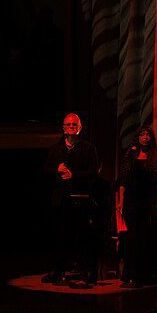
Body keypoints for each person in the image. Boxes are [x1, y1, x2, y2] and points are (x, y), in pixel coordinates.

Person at [41, 113, 102, 285]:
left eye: (74, 124)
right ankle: (59, 271)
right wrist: (57, 170)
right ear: (63, 128)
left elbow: (94, 172)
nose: (71, 127)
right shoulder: (56, 149)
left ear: (80, 128)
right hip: (61, 200)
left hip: (81, 199)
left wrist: (73, 175)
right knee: (60, 236)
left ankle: (86, 272)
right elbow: (45, 171)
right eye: (68, 124)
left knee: (82, 236)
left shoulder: (89, 148)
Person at [116, 126, 157, 287]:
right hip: (133, 202)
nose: (145, 137)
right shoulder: (131, 155)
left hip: (151, 201)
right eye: (142, 134)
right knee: (134, 239)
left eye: (148, 135)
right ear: (138, 137)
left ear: (152, 138)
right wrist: (121, 201)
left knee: (151, 238)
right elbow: (123, 180)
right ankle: (133, 276)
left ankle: (151, 276)